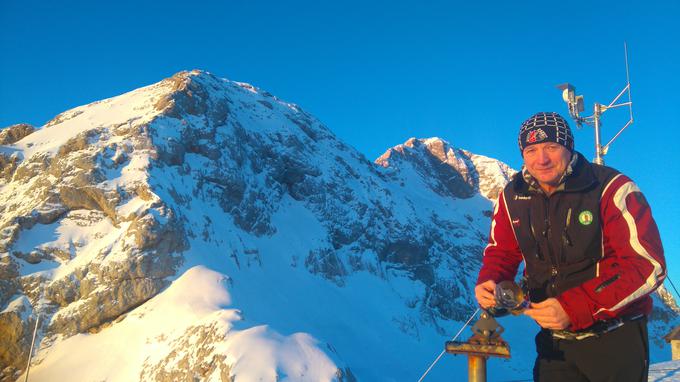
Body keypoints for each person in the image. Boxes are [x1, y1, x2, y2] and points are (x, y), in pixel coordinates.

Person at [474, 112, 666, 382]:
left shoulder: (611, 188)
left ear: (569, 147)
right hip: (555, 344)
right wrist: (490, 281)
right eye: (531, 150)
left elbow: (647, 265)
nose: (541, 159)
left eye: (551, 147)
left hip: (614, 339)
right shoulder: (512, 196)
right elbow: (502, 251)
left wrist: (574, 308)